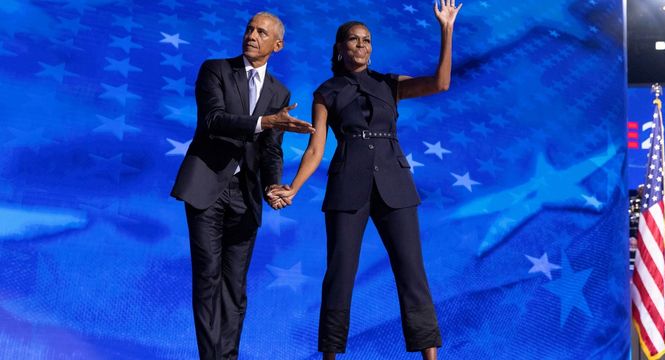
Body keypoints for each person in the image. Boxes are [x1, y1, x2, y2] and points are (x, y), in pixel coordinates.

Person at [269, 1, 463, 359]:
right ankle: (330, 354)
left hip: (396, 184)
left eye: (367, 40)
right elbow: (315, 150)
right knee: (339, 276)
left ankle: (431, 357)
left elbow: (442, 82)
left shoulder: (390, 84)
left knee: (412, 273)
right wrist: (293, 188)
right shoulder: (326, 92)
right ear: (340, 48)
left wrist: (446, 29)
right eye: (354, 40)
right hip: (347, 187)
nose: (361, 45)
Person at [170, 12, 314, 360]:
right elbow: (214, 121)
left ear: (276, 45)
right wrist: (266, 121)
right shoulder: (216, 70)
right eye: (249, 29)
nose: (251, 35)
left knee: (235, 286)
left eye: (261, 32)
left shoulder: (280, 91)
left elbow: (271, 149)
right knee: (208, 278)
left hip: (246, 196)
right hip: (206, 187)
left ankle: (229, 356)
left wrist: (272, 186)